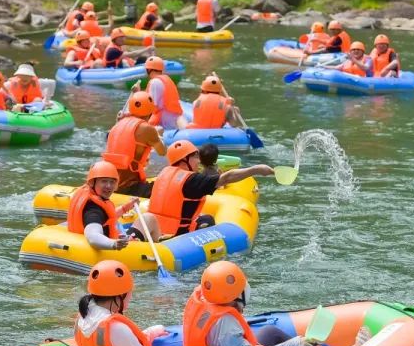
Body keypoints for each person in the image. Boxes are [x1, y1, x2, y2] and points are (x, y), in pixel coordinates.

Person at [181, 261, 369, 346]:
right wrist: (295, 345)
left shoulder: (204, 296)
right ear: (232, 295)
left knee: (270, 332)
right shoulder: (227, 325)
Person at [75, 261, 220, 346]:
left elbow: (115, 345)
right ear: (121, 295)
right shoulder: (117, 329)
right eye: (130, 291)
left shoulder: (84, 315)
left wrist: (149, 334)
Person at [147, 140, 277, 237]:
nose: (198, 161)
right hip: (176, 235)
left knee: (203, 218)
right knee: (208, 221)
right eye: (195, 157)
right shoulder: (192, 180)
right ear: (185, 159)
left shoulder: (163, 175)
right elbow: (226, 178)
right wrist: (256, 169)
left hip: (154, 230)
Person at [67, 161, 157, 249]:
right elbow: (92, 236)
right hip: (117, 246)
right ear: (92, 182)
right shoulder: (93, 210)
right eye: (104, 181)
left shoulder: (92, 196)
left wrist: (125, 208)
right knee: (150, 219)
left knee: (148, 218)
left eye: (112, 182)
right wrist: (113, 244)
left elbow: (108, 217)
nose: (109, 186)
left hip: (116, 238)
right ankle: (159, 247)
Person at [103, 90, 167, 197]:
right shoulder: (147, 129)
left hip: (109, 183)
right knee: (168, 187)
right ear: (151, 111)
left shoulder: (118, 124)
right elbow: (163, 152)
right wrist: (158, 135)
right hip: (130, 188)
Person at [142, 56, 184, 130]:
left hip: (164, 121)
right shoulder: (167, 79)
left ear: (149, 70)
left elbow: (151, 106)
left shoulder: (154, 82)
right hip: (174, 117)